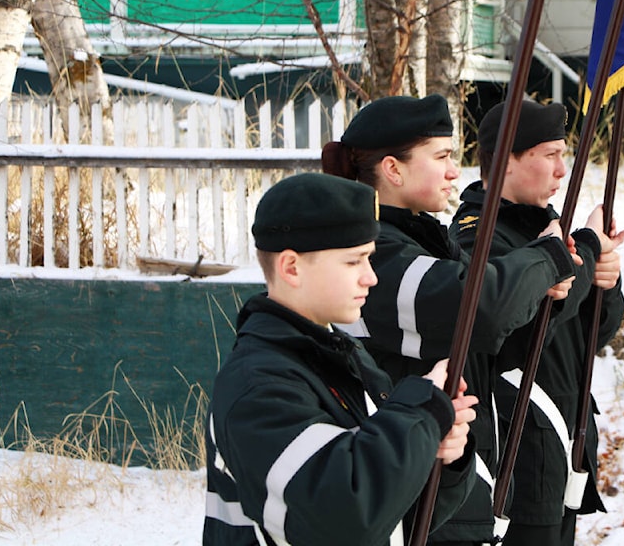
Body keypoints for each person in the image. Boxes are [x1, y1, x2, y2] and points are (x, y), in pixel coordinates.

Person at [321, 94, 596, 546]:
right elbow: (482, 308)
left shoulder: (419, 240)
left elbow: (502, 343)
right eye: (443, 156)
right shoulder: (380, 254)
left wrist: (554, 281)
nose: (454, 171)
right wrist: (546, 260)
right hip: (418, 503)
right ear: (393, 169)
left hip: (453, 494)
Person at [203, 172, 479, 546]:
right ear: (291, 268)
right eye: (355, 262)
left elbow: (393, 517)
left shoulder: (344, 356)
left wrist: (440, 459)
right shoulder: (257, 386)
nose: (371, 277)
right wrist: (423, 410)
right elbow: (345, 516)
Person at [450, 99, 624, 546]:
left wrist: (605, 284)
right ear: (507, 158)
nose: (562, 170)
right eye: (550, 154)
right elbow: (523, 326)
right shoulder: (479, 234)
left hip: (561, 445)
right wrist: (585, 248)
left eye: (564, 154)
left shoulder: (544, 224)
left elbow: (587, 338)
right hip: (518, 457)